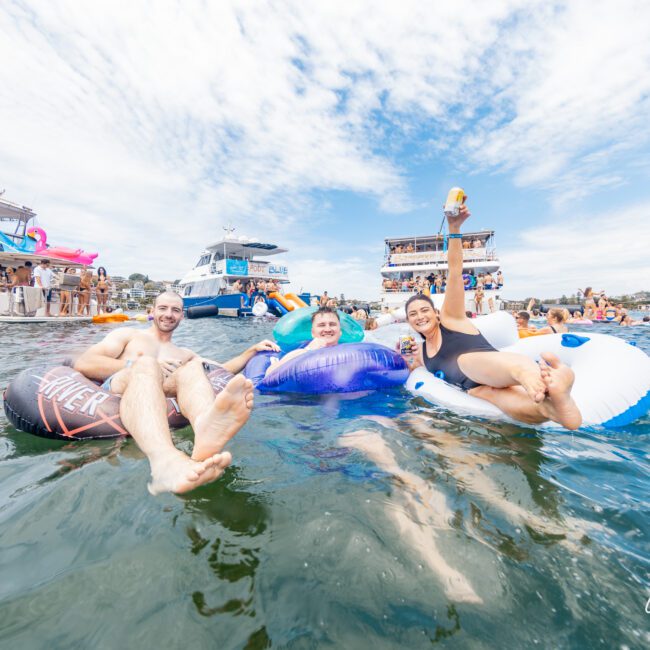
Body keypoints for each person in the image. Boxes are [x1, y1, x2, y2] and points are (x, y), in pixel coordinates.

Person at [73, 291, 280, 494]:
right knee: (147, 364)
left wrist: (252, 350)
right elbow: (85, 362)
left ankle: (204, 426)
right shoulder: (129, 335)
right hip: (123, 382)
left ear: (182, 315)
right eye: (162, 308)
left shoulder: (184, 353)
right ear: (152, 311)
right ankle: (164, 461)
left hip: (160, 388)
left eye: (175, 310)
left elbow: (221, 368)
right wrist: (137, 363)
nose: (168, 314)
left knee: (192, 367)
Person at [401, 197, 581, 430]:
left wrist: (454, 229)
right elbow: (409, 368)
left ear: (436, 314)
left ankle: (537, 377)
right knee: (502, 398)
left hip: (486, 365)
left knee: (481, 363)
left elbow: (455, 273)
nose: (420, 316)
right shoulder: (422, 353)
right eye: (413, 314)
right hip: (475, 388)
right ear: (408, 321)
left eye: (425, 310)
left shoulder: (450, 319)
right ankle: (554, 407)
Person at [265, 306, 342, 377]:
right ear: (312, 333)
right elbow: (269, 374)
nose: (327, 329)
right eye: (321, 325)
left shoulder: (351, 353)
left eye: (332, 324)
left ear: (340, 331)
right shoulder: (300, 352)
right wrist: (308, 350)